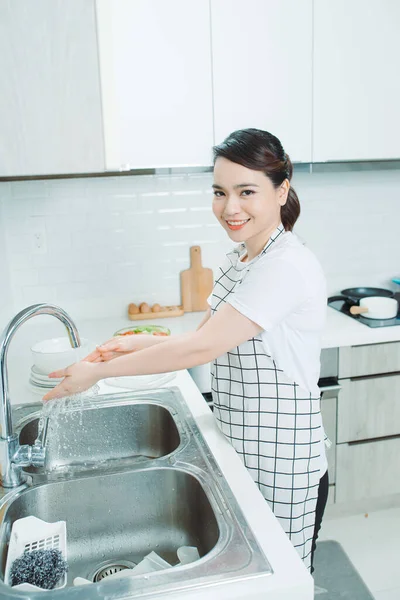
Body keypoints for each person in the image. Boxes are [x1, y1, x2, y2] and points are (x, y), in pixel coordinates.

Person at [43, 128, 329, 573]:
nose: (230, 207)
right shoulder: (244, 259)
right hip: (244, 449)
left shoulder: (285, 266)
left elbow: (201, 348)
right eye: (220, 192)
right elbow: (206, 335)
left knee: (282, 584)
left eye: (246, 191)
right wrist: (137, 344)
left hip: (282, 464)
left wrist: (95, 374)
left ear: (282, 190)